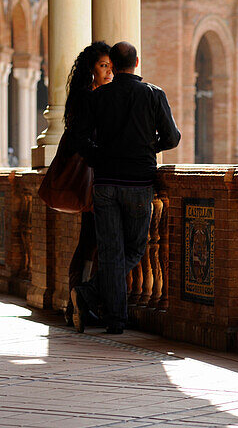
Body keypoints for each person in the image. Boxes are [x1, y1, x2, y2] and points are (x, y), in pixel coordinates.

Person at [70, 41, 180, 335]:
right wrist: (146, 149)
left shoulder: (98, 97)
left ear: (114, 66)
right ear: (137, 62)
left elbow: (79, 138)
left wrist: (100, 158)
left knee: (110, 252)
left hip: (105, 183)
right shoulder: (153, 95)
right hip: (139, 182)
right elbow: (172, 138)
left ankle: (107, 312)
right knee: (135, 249)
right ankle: (94, 300)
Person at [62, 42, 114, 313]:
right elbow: (82, 139)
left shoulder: (94, 95)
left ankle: (77, 302)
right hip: (92, 178)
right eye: (103, 66)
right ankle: (81, 301)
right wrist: (102, 158)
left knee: (89, 241)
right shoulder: (87, 97)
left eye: (111, 67)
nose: (109, 72)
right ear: (90, 68)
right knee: (91, 242)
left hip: (95, 178)